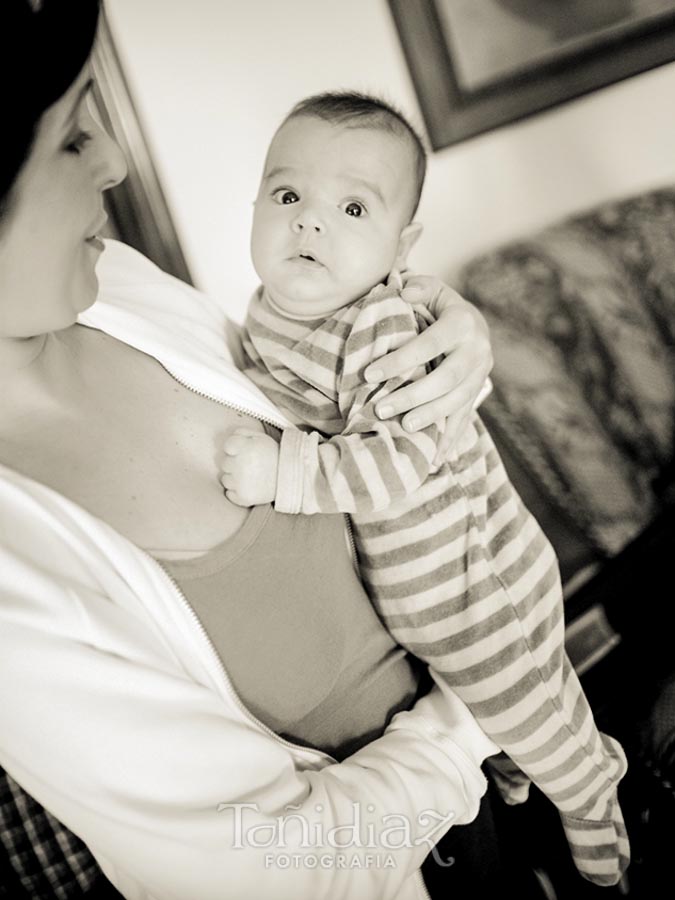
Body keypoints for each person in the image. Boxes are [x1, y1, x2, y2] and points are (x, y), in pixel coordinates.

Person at [0, 3, 509, 899]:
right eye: (73, 138)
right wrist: (468, 727)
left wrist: (432, 321)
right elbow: (273, 869)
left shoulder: (115, 281)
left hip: (483, 790)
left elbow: (320, 389)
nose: (115, 158)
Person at [222, 90, 630, 887]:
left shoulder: (378, 327)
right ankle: (527, 764)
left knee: (527, 701)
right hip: (421, 597)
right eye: (287, 195)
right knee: (501, 705)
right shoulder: (270, 313)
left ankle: (591, 791)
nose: (309, 222)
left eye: (351, 207)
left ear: (400, 247)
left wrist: (286, 473)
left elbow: (399, 461)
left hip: (472, 577)